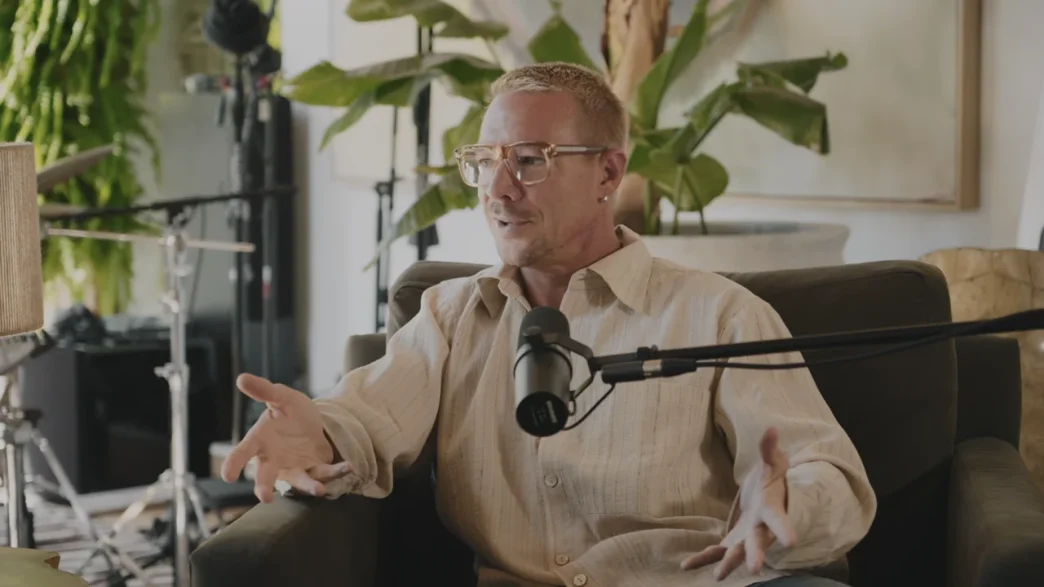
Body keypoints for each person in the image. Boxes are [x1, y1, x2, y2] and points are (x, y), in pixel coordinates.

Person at [221, 62, 877, 587]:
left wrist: (788, 498)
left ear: (608, 172)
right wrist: (322, 432)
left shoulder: (720, 314)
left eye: (530, 159)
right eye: (485, 160)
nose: (498, 189)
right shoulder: (452, 316)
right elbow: (365, 418)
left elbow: (828, 474)